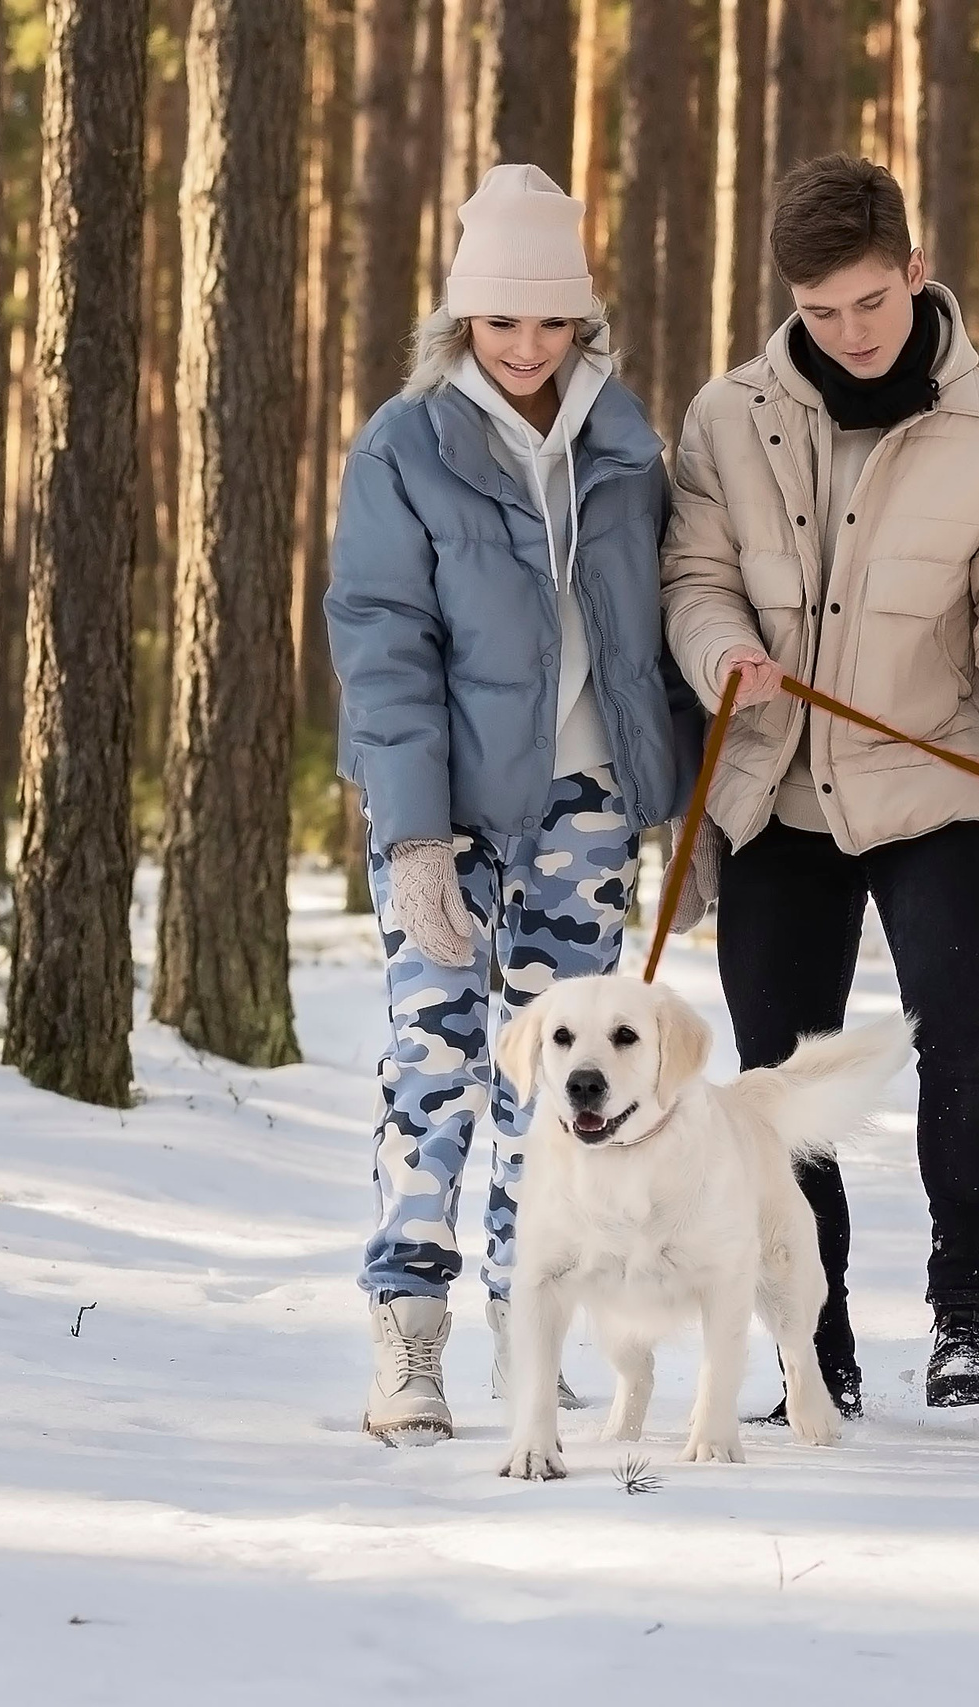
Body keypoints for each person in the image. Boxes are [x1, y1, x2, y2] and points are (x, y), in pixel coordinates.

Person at [661, 153, 979, 1415]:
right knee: (782, 1076)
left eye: (868, 302)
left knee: (958, 1037)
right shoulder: (726, 417)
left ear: (916, 271)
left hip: (929, 787)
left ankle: (966, 1317)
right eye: (818, 308)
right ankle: (816, 1345)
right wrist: (720, 652)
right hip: (777, 791)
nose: (846, 333)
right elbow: (693, 577)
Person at [327, 163, 688, 1444]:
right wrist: (413, 832)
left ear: (583, 321)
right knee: (434, 1065)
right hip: (448, 810)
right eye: (501, 321)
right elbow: (381, 640)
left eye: (551, 322)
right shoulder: (405, 443)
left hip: (585, 811)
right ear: (460, 319)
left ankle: (524, 1330)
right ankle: (405, 1336)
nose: (528, 347)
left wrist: (671, 799)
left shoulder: (628, 438)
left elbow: (661, 629)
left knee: (567, 1086)